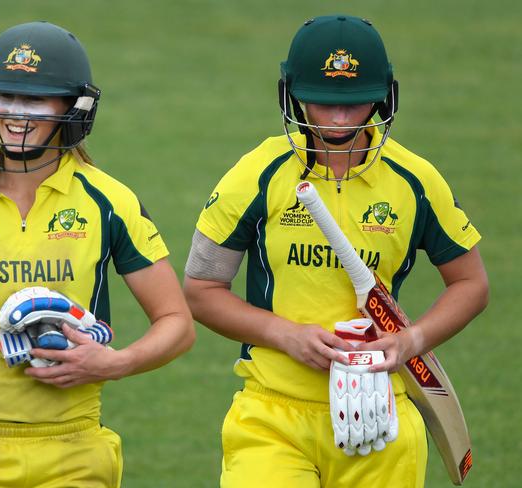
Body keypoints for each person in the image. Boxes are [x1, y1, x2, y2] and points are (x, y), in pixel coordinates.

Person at [0, 21, 194, 488]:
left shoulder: (109, 201)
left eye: (36, 100)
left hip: (74, 451)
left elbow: (177, 323)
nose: (17, 114)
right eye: (7, 97)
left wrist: (115, 362)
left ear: (74, 108)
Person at [183, 14, 488, 488]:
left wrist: (411, 341)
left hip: (381, 416)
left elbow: (471, 284)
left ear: (384, 96)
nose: (340, 119)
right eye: (324, 103)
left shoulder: (415, 181)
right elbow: (201, 288)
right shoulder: (257, 174)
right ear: (292, 94)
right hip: (272, 418)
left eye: (354, 103)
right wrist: (285, 335)